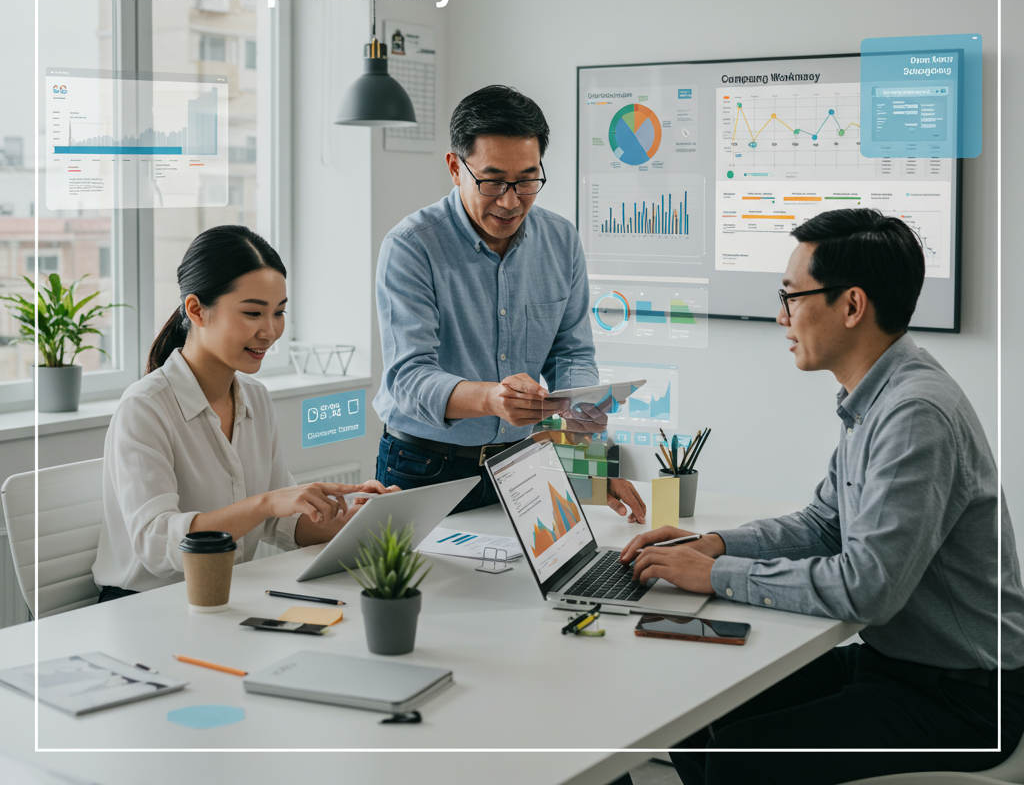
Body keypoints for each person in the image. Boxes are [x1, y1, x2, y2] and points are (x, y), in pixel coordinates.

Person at [616, 208, 1024, 785]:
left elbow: (866, 589)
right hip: (898, 666)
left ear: (852, 305)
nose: (781, 316)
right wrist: (709, 544)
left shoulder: (914, 412)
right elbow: (824, 524)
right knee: (689, 715)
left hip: (962, 694)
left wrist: (714, 575)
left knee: (738, 756)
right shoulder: (877, 393)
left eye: (791, 297)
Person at [373, 84, 646, 519]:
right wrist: (490, 399)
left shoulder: (561, 240)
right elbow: (407, 379)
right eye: (493, 181)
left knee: (525, 584)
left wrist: (587, 446)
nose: (511, 200)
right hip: (425, 466)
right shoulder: (411, 246)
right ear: (455, 167)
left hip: (522, 461)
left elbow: (570, 353)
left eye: (526, 181)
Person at [92, 225, 394, 599]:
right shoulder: (144, 408)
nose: (269, 331)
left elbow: (280, 527)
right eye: (253, 313)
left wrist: (353, 521)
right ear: (196, 310)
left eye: (279, 313)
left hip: (227, 594)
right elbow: (156, 544)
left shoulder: (255, 397)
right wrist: (265, 503)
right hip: (143, 604)